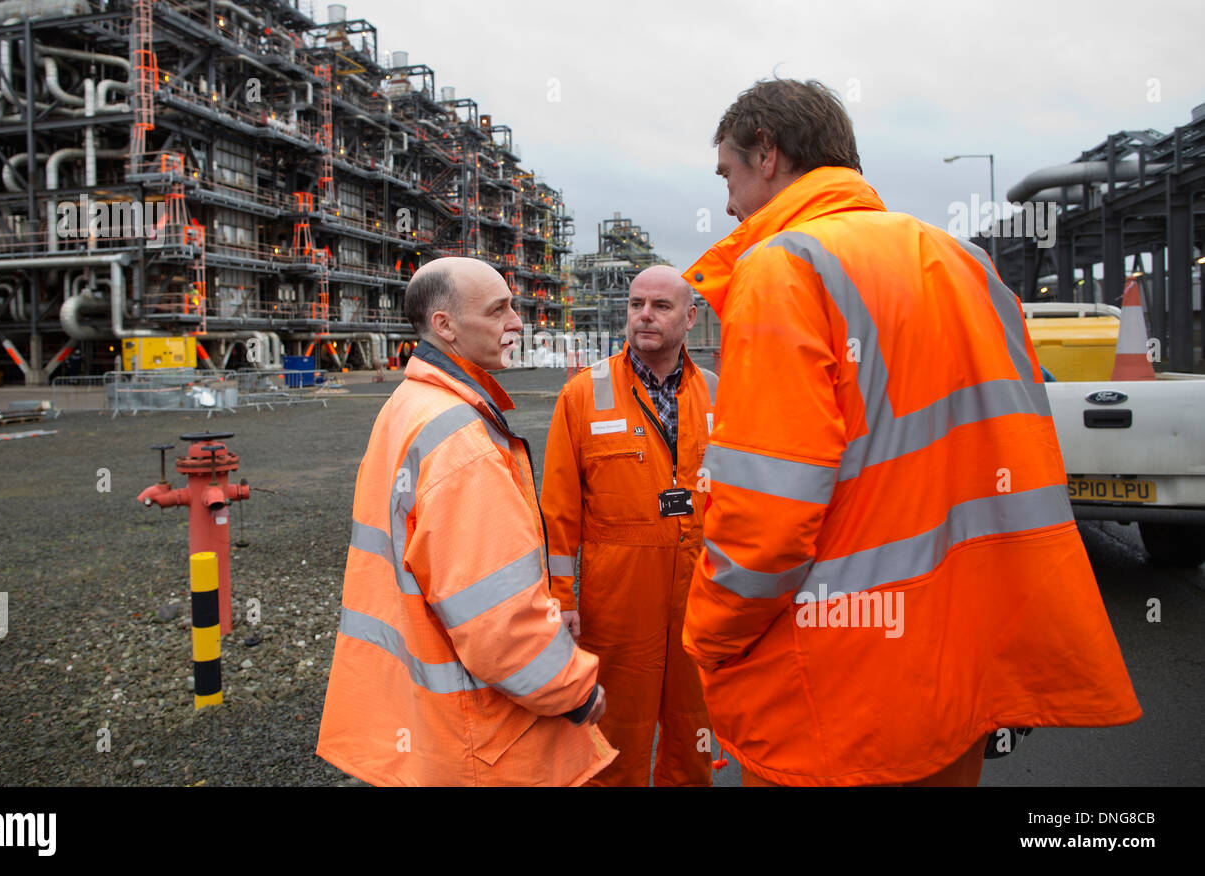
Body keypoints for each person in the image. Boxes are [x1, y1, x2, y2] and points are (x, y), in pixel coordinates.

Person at [684, 79, 1141, 787]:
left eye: (728, 173)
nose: (726, 201)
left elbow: (766, 514)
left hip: (838, 692)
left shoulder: (784, 267)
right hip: (960, 671)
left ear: (767, 154)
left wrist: (710, 635)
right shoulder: (969, 267)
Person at [316, 256, 615, 786]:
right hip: (479, 742)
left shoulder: (406, 404)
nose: (517, 322)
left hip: (419, 717)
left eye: (514, 306)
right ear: (445, 325)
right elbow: (496, 616)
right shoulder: (460, 443)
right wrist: (573, 689)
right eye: (498, 310)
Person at [541, 265, 717, 786]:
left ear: (689, 317)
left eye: (660, 306)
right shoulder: (583, 395)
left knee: (694, 731)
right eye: (636, 304)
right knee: (616, 733)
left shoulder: (714, 393)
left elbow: (740, 500)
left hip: (698, 594)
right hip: (618, 597)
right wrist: (562, 597)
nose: (645, 315)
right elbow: (558, 511)